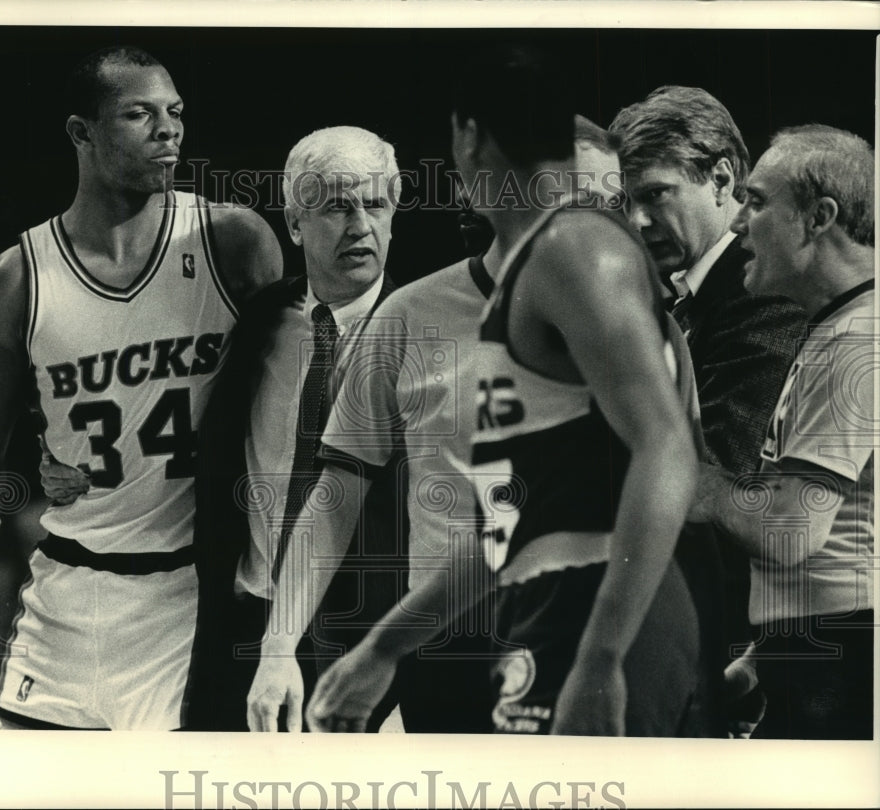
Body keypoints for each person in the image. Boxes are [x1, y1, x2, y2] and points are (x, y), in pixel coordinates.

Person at [306, 45, 721, 736]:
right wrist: (385, 645)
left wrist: (602, 658)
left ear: (467, 137)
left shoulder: (577, 250)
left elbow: (669, 452)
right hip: (546, 613)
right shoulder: (529, 276)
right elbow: (508, 527)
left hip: (605, 619)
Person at [0, 46, 282, 730]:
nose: (168, 129)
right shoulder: (17, 281)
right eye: (139, 114)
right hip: (67, 598)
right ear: (80, 133)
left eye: (175, 112)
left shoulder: (233, 243)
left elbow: (290, 421)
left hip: (195, 598)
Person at [184, 126, 406, 732]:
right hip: (241, 622)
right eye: (336, 204)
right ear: (294, 223)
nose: (360, 224)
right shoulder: (260, 320)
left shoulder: (426, 330)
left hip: (366, 638)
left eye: (376, 204)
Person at [609, 87, 808, 722]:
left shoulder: (760, 300)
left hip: (731, 653)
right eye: (625, 202)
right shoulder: (682, 303)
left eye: (655, 194)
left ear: (723, 179)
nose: (636, 222)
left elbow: (719, 467)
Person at [689, 125, 874, 739]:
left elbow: (791, 528)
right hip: (821, 650)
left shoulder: (857, 342)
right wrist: (766, 656)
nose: (738, 223)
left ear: (820, 217)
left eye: (758, 201)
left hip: (839, 660)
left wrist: (684, 475)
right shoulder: (841, 330)